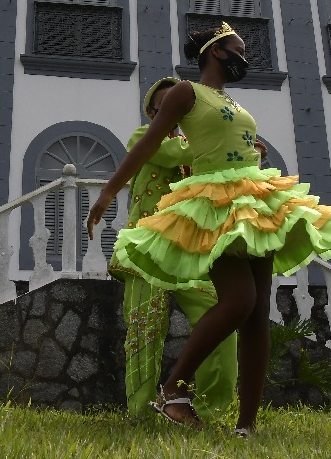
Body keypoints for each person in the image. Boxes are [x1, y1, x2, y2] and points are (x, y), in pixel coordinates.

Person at [86, 22, 331, 435]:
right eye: (237, 48)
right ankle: (172, 390)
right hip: (216, 204)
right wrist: (107, 193)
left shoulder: (229, 100)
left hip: (254, 198)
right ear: (215, 51)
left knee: (256, 312)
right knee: (239, 300)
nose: (243, 57)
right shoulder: (185, 93)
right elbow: (148, 144)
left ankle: (246, 424)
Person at [109, 77, 237, 421]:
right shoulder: (143, 138)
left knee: (221, 319)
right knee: (144, 331)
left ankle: (214, 411)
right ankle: (141, 412)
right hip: (145, 249)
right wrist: (223, 145)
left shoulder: (195, 145)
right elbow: (176, 153)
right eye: (166, 104)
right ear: (153, 112)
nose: (178, 110)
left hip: (188, 251)